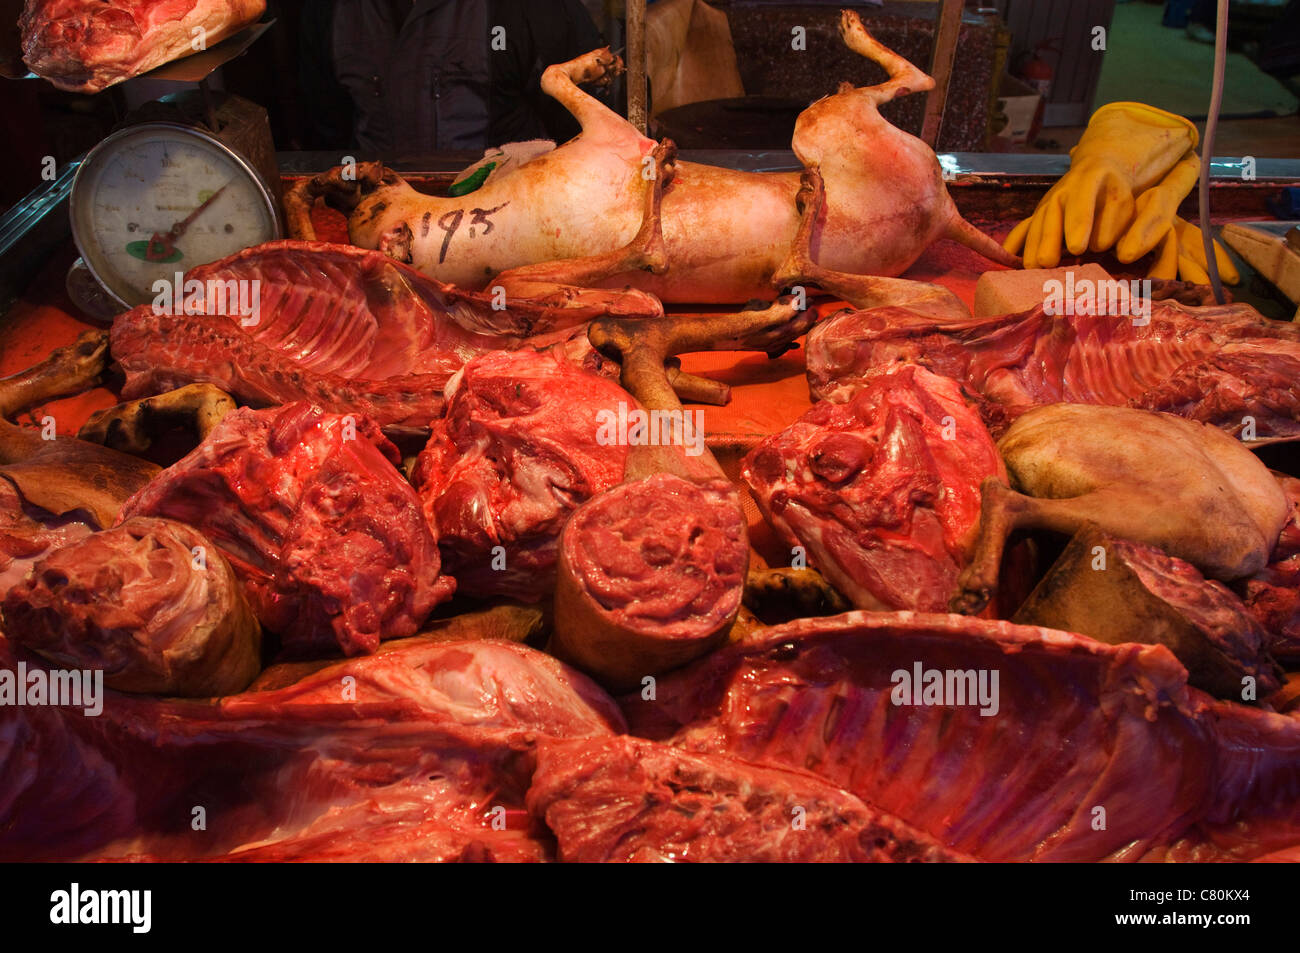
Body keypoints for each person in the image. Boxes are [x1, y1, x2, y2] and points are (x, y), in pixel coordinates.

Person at [299, 0, 607, 154]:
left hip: (508, 224)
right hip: (377, 222)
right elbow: (325, 133)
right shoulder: (328, 10)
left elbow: (591, 135)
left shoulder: (531, 9)